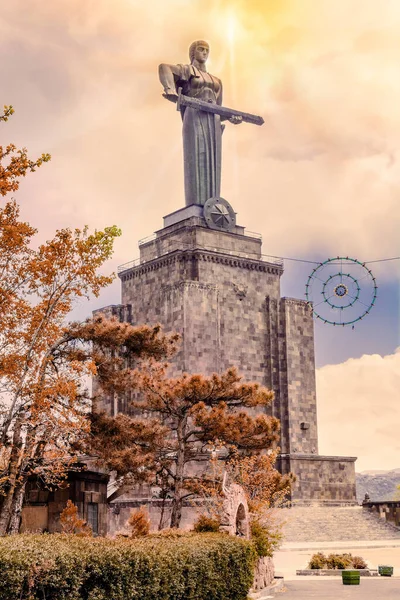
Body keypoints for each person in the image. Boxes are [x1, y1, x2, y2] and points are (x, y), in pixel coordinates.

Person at [159, 40, 241, 207]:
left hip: (213, 121)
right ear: (193, 53)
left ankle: (212, 206)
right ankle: (196, 205)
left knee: (214, 163)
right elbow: (164, 68)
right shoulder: (187, 70)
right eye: (201, 49)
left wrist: (231, 118)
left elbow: (218, 108)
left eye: (207, 50)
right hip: (194, 116)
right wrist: (170, 90)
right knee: (196, 159)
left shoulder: (216, 80)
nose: (204, 52)